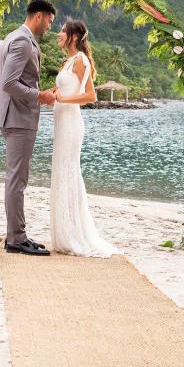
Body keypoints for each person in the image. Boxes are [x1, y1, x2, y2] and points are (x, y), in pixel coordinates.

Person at [0, 0, 56, 256]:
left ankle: (16, 234)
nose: (50, 27)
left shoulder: (11, 36)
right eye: (50, 21)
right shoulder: (22, 41)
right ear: (38, 16)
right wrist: (40, 96)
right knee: (17, 180)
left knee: (16, 178)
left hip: (11, 116)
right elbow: (7, 83)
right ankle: (16, 239)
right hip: (19, 118)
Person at [50, 19, 117, 257]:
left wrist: (63, 100)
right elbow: (64, 90)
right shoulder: (67, 62)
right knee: (61, 170)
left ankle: (73, 234)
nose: (59, 34)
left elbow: (90, 96)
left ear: (74, 36)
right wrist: (51, 95)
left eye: (62, 31)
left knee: (69, 170)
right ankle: (63, 233)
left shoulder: (81, 60)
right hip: (61, 121)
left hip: (71, 122)